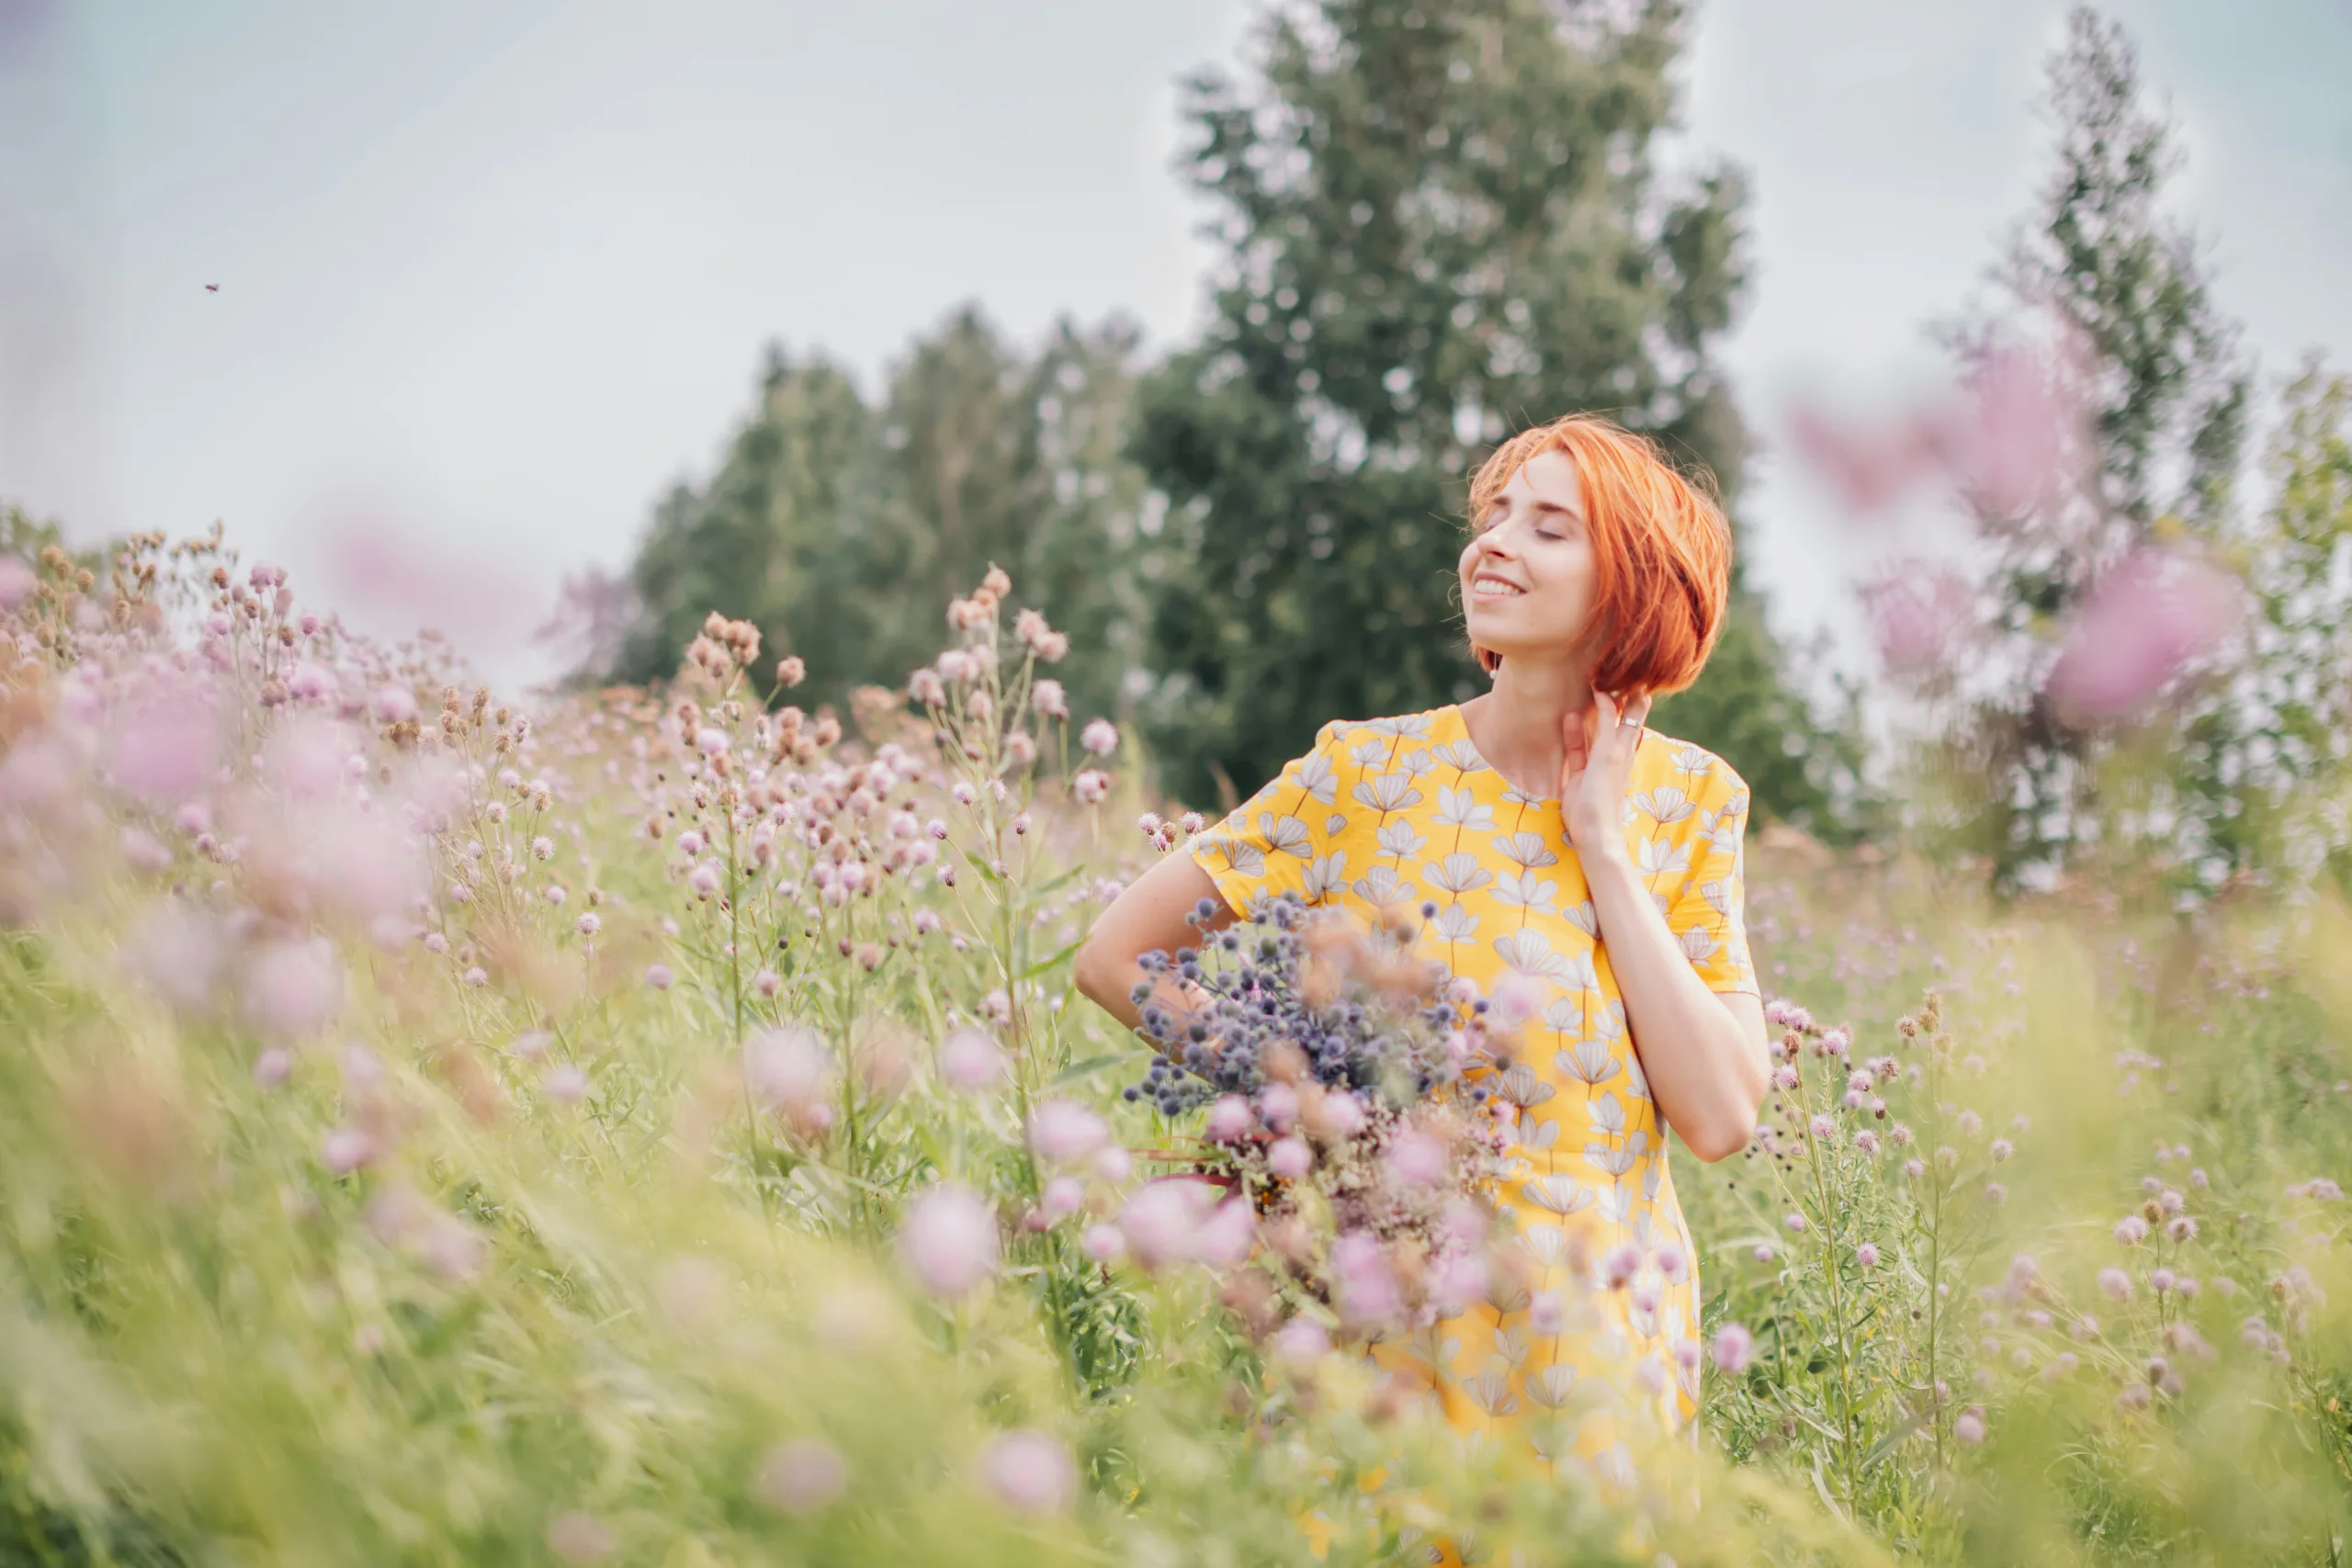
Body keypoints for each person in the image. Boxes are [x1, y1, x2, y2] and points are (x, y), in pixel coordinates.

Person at [1075, 412, 1770, 1507]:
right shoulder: (1364, 774)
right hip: (1379, 1338)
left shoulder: (1688, 805)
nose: (1492, 542)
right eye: (1492, 516)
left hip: (1596, 1369)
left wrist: (1602, 841)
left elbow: (1722, 1116)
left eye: (1548, 526)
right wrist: (1308, 1109)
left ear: (1629, 583)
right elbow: (1117, 958)